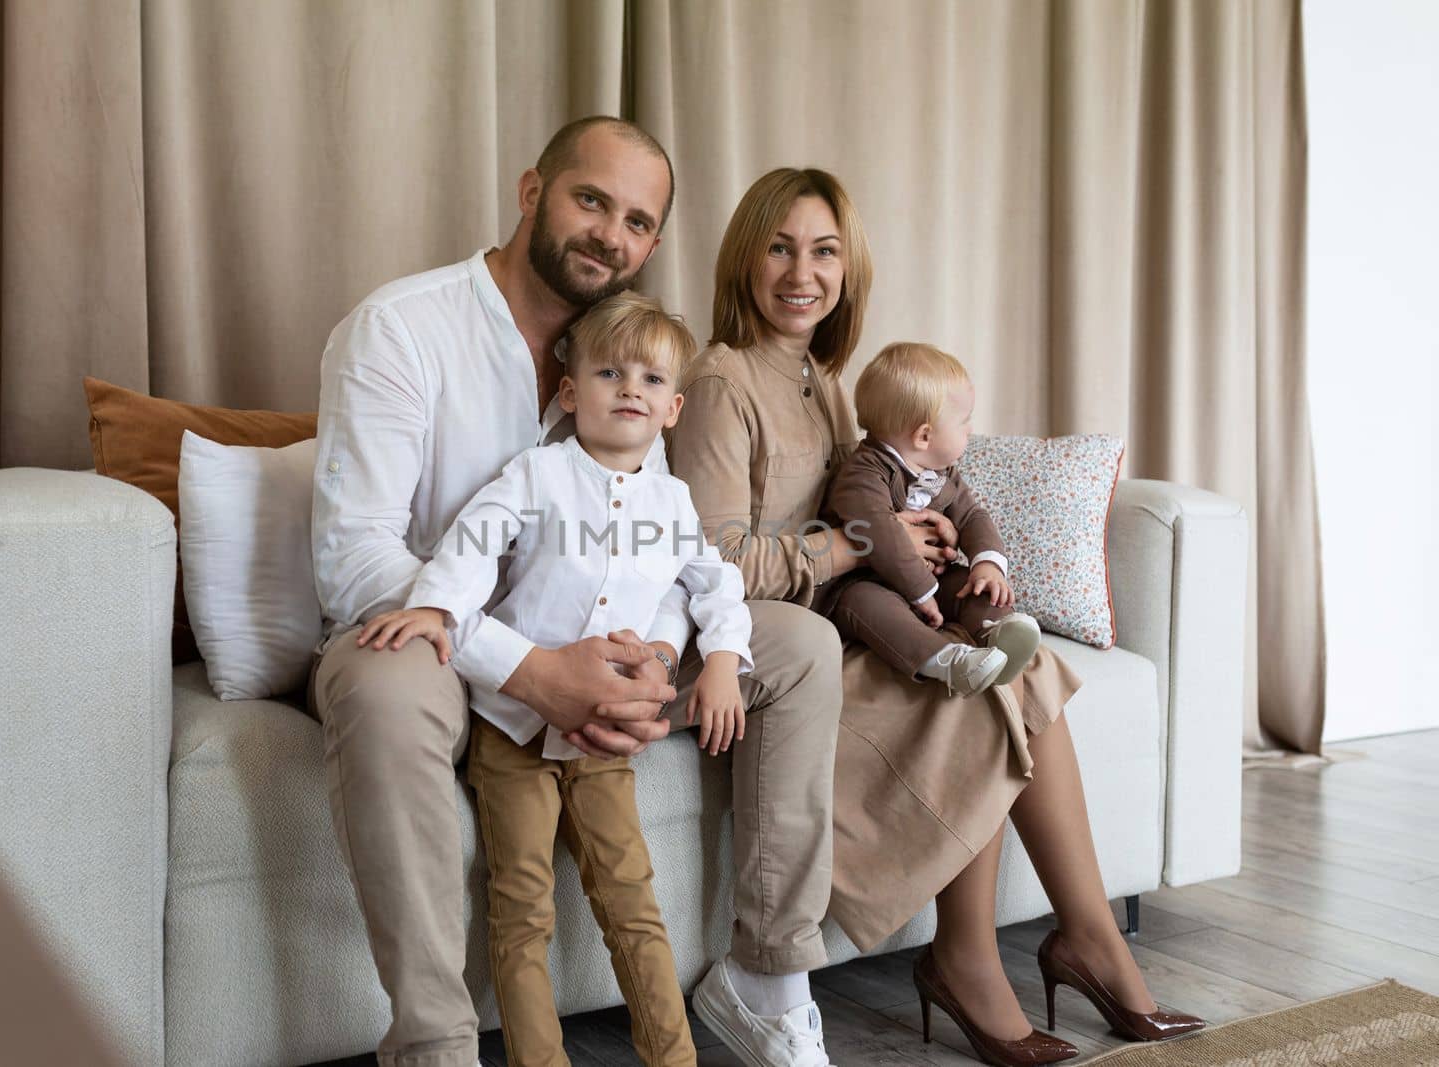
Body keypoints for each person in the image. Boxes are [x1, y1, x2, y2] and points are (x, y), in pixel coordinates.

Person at [311, 118, 843, 1067]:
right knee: (382, 680)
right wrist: (533, 671)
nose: (611, 234)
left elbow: (667, 540)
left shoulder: (636, 356)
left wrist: (661, 656)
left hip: (611, 649)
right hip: (447, 640)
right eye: (590, 199)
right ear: (532, 192)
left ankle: (766, 978)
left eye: (638, 221)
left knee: (799, 645)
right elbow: (355, 559)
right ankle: (435, 1045)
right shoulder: (402, 328)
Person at [669, 167, 1204, 1067]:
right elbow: (716, 560)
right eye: (780, 246)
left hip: (846, 619)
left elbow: (882, 493)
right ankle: (967, 961)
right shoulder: (722, 383)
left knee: (1019, 661)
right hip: (770, 637)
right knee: (974, 690)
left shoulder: (827, 380)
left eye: (825, 250)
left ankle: (1088, 934)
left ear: (848, 268)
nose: (803, 271)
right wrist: (852, 547)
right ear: (743, 258)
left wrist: (938, 553)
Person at [355, 292, 748, 1067]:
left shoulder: (672, 503)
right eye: (608, 371)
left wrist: (726, 662)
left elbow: (717, 586)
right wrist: (435, 607)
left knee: (633, 901)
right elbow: (472, 545)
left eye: (648, 378)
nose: (628, 387)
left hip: (605, 740)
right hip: (513, 727)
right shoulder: (535, 474)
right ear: (571, 393)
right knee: (519, 907)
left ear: (672, 408)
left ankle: (674, 1057)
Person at [823, 342, 1043, 695]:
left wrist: (987, 564)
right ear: (924, 435)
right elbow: (882, 533)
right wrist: (922, 592)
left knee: (971, 586)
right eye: (964, 421)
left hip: (927, 580)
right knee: (867, 604)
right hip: (862, 582)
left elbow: (972, 514)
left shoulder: (943, 473)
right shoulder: (862, 474)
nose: (970, 430)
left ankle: (998, 633)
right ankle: (947, 662)